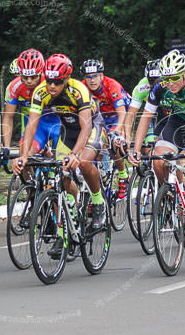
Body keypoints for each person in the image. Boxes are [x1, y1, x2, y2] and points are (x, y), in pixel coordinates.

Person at [14, 54, 108, 256]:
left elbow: (86, 126)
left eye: (57, 82)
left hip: (91, 127)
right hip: (67, 130)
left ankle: (98, 202)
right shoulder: (40, 92)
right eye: (49, 81)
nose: (52, 86)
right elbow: (31, 125)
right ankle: (66, 228)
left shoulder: (78, 90)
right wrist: (23, 155)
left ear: (67, 79)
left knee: (82, 162)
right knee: (61, 179)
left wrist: (75, 154)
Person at [129, 49, 185, 256]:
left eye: (175, 78)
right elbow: (145, 117)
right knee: (159, 161)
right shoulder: (160, 87)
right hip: (178, 122)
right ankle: (175, 197)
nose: (170, 83)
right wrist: (135, 149)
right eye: (167, 78)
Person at [0, 49, 60, 169]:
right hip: (37, 125)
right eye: (25, 77)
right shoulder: (15, 86)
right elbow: (8, 117)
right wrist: (6, 146)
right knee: (23, 158)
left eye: (33, 76)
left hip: (58, 122)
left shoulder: (51, 84)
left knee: (62, 167)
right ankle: (31, 186)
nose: (29, 81)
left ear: (41, 73)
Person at [81, 59, 130, 198]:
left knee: (113, 142)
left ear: (102, 76)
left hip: (117, 115)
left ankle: (123, 176)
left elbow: (122, 114)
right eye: (88, 77)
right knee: (93, 147)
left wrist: (115, 132)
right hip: (99, 117)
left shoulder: (111, 85)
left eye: (95, 76)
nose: (92, 80)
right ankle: (100, 180)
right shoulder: (83, 87)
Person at [123, 59, 163, 156]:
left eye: (158, 80)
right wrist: (127, 136)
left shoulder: (172, 85)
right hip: (151, 114)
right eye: (151, 81)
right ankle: (148, 166)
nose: (154, 85)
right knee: (148, 146)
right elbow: (131, 115)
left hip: (167, 113)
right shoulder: (142, 86)